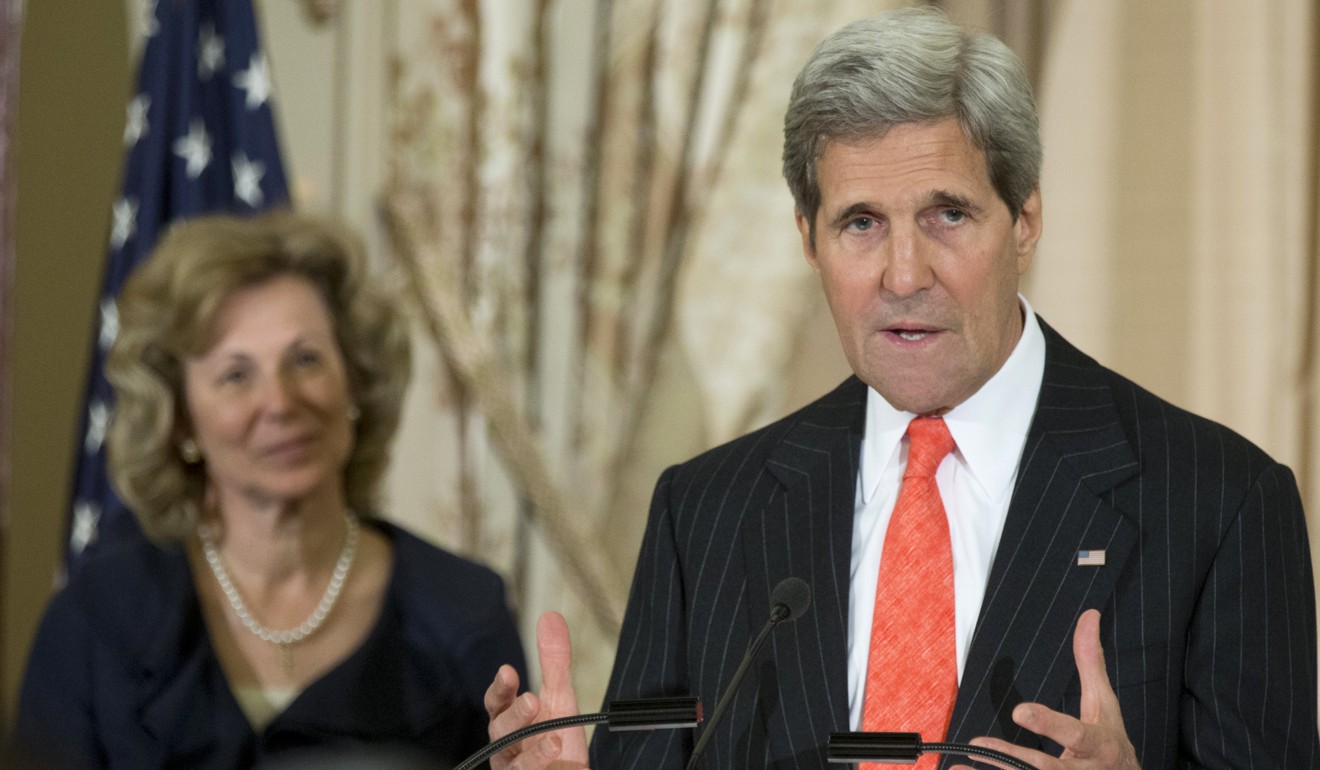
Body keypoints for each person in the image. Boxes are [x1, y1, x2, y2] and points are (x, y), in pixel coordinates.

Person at [484, 6, 1320, 770]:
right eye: (861, 224)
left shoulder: (1219, 503)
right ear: (808, 240)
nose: (905, 273)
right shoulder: (703, 514)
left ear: (1024, 218)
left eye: (947, 214)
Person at [12, 211, 527, 769]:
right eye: (236, 375)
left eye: (305, 360)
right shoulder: (96, 622)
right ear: (182, 420)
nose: (280, 403)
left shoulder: (465, 613)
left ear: (355, 380)